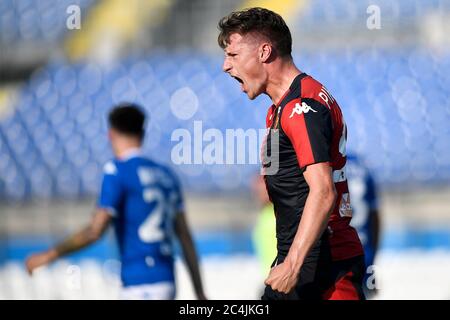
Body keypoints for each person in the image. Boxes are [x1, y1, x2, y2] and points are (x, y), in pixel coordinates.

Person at [218, 7, 365, 300]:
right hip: (302, 259)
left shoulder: (300, 107)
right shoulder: (282, 108)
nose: (226, 66)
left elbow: (323, 192)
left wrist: (293, 264)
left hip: (322, 266)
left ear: (264, 52)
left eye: (233, 55)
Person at [25, 103, 206, 300]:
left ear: (110, 134)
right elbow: (185, 237)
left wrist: (49, 255)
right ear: (143, 133)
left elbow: (95, 230)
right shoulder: (167, 175)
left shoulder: (117, 171)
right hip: (167, 281)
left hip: (139, 284)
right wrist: (199, 290)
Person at [346, 153, 381, 298]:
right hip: (365, 250)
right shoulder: (362, 165)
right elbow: (375, 216)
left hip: (339, 254)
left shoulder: (326, 165)